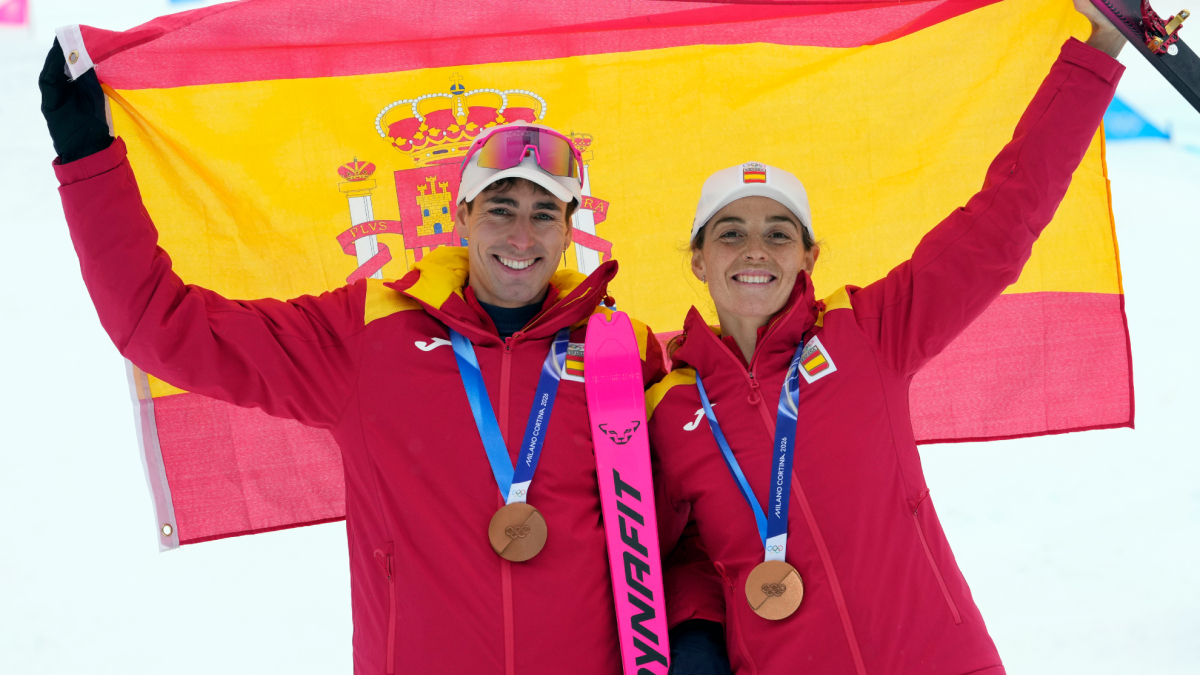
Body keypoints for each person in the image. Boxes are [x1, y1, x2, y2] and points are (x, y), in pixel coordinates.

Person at [40, 41, 735, 673]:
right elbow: (164, 327)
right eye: (500, 208)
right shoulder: (368, 334)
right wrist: (86, 158)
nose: (521, 233)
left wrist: (697, 633)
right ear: (460, 219)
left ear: (567, 230)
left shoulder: (624, 349)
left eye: (543, 212)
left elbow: (694, 524)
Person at [646, 2, 1127, 673]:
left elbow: (1000, 221)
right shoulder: (669, 410)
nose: (755, 250)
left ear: (809, 257)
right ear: (698, 261)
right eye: (730, 233)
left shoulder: (868, 333)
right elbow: (668, 554)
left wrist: (1098, 50)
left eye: (778, 233)